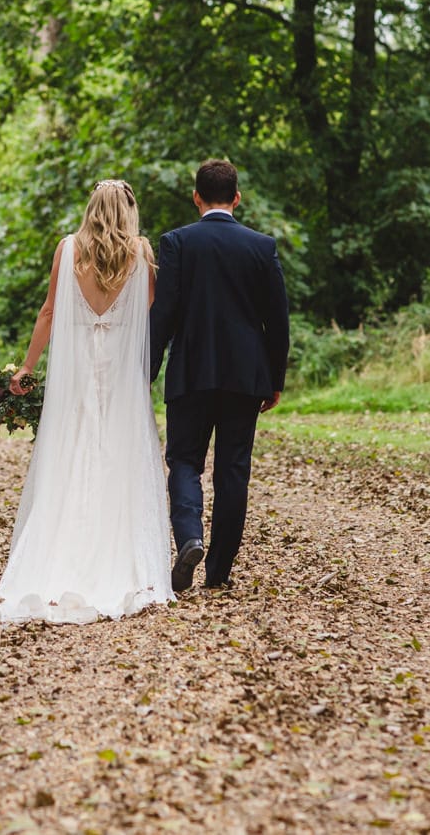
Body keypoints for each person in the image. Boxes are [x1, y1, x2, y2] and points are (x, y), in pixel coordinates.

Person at [0, 180, 175, 624]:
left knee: (71, 453)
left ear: (91, 208)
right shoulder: (141, 252)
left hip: (78, 372)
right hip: (120, 374)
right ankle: (116, 553)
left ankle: (59, 551)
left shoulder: (68, 248)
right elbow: (149, 309)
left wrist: (27, 368)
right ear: (128, 209)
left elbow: (50, 311)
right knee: (117, 453)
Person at [149, 158, 290, 592]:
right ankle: (219, 571)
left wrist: (146, 372)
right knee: (233, 469)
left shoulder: (176, 243)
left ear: (196, 197)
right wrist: (275, 380)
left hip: (190, 372)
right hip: (244, 377)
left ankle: (190, 537)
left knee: (184, 461)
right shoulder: (260, 246)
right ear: (237, 198)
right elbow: (278, 320)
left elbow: (163, 315)